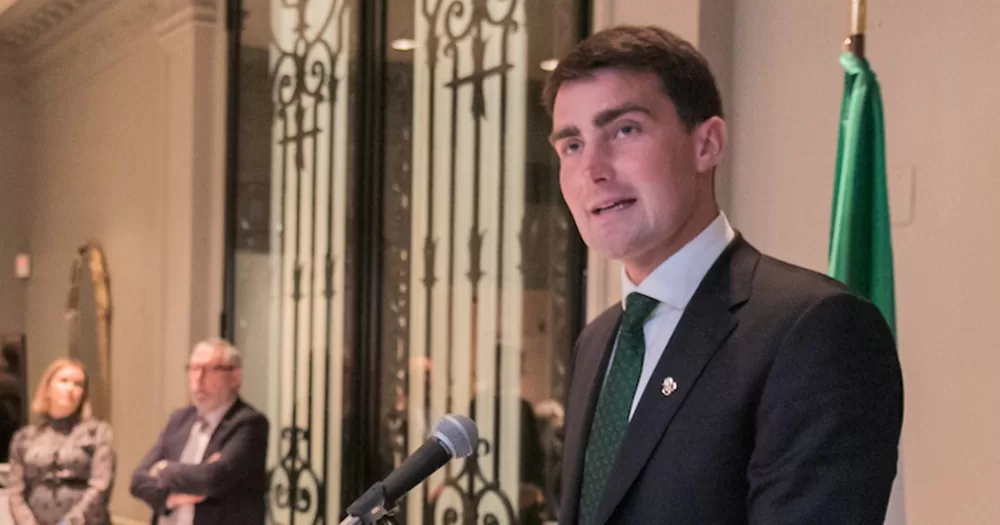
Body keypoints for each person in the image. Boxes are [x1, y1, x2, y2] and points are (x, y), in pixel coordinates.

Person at [544, 25, 903, 525]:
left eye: (624, 130)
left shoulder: (816, 330)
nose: (593, 170)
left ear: (707, 143)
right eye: (572, 145)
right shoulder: (597, 342)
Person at [129, 338, 268, 525]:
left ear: (235, 377)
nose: (198, 378)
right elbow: (137, 481)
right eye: (193, 369)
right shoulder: (179, 419)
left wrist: (163, 468)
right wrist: (171, 498)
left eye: (210, 369)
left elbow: (212, 478)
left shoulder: (249, 423)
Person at [7, 358, 115, 524]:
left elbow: (101, 485)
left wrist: (70, 522)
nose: (70, 388)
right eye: (64, 381)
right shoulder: (24, 437)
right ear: (48, 387)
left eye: (78, 384)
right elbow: (15, 491)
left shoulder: (98, 433)